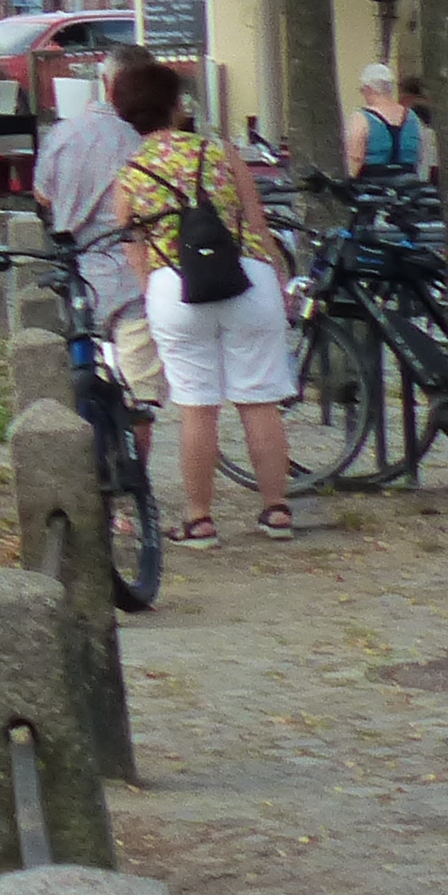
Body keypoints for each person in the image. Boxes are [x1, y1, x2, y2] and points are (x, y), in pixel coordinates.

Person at [113, 55, 296, 544]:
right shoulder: (220, 153)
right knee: (259, 399)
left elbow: (132, 244)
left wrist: (152, 290)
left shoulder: (130, 173)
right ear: (177, 105)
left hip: (176, 287)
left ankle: (199, 519)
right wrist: (278, 275)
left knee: (196, 406)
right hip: (245, 277)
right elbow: (255, 220)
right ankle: (276, 510)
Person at [32, 41, 162, 403]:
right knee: (140, 395)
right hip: (135, 278)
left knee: (85, 382)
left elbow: (42, 195)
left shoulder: (62, 134)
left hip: (80, 277)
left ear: (105, 82)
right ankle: (135, 439)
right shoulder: (148, 142)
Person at [345, 63, 427, 178]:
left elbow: (355, 158)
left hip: (373, 183)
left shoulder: (361, 118)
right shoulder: (412, 117)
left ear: (368, 89)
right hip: (408, 181)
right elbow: (419, 155)